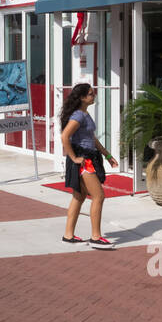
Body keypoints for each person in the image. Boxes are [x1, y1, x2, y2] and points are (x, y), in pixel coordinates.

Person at [60, 83, 117, 250]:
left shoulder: (85, 114)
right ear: (82, 98)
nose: (95, 96)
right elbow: (65, 137)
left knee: (79, 197)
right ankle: (96, 237)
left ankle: (68, 235)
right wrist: (74, 158)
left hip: (89, 157)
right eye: (91, 94)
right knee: (98, 196)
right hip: (84, 161)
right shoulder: (78, 116)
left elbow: (91, 138)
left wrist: (107, 155)